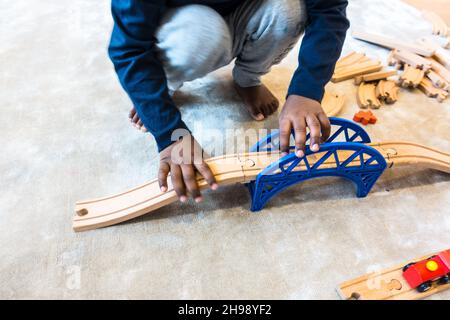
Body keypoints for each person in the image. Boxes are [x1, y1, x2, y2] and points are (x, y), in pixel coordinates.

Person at [108, 0, 350, 203]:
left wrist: (306, 91)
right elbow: (129, 48)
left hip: (245, 10)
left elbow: (328, 11)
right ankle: (164, 84)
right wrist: (167, 129)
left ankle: (248, 78)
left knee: (289, 9)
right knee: (204, 33)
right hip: (184, 26)